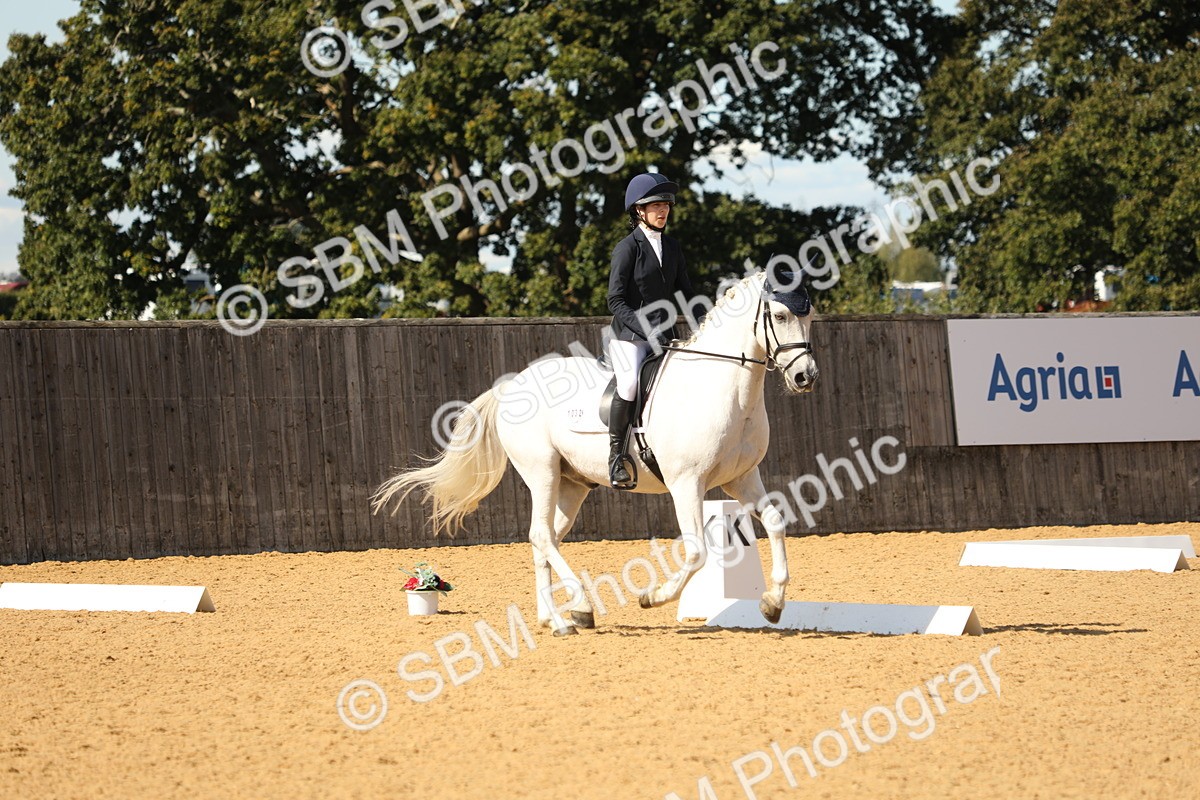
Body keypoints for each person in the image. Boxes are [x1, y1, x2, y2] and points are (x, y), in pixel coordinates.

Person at [605, 172, 698, 490]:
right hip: (630, 337)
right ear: (639, 211)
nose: (663, 210)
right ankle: (617, 457)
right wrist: (645, 330)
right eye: (655, 205)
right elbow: (615, 300)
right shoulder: (627, 248)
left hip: (667, 334)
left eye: (666, 205)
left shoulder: (672, 247)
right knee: (629, 384)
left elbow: (686, 293)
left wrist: (706, 326)